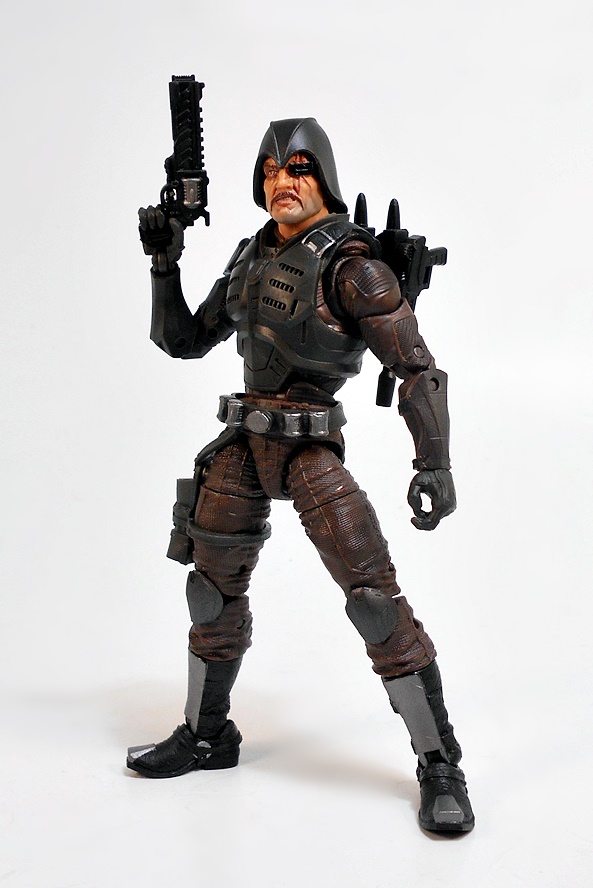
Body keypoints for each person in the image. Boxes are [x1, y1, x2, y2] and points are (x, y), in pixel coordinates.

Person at [127, 118, 474, 833]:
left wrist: (433, 463)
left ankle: (440, 765)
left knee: (374, 601)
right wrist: (164, 264)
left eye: (298, 169)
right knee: (210, 595)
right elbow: (182, 340)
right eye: (269, 171)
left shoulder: (353, 266)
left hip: (310, 449)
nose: (281, 182)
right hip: (242, 445)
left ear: (325, 180)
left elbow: (416, 369)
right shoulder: (251, 255)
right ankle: (206, 734)